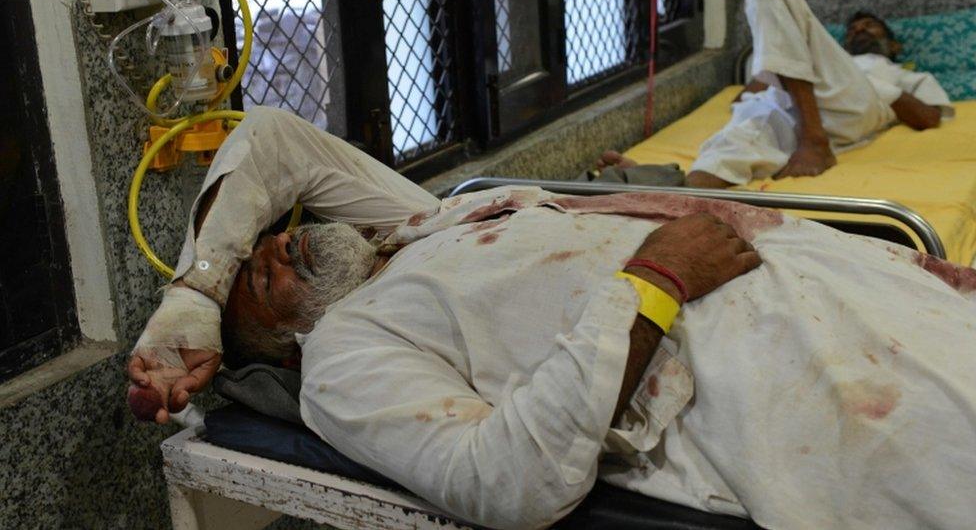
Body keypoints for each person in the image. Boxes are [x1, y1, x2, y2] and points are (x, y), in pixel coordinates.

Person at [128, 107, 976, 530]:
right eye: (260, 283)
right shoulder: (347, 354)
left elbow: (272, 138)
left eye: (267, 239)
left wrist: (198, 295)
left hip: (848, 284)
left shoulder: (425, 222)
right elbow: (505, 481)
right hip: (779, 366)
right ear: (287, 345)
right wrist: (653, 284)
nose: (277, 245)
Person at [597, 0, 950, 188]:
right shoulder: (810, 58)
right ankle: (672, 188)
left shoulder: (897, 72)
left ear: (895, 45)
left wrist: (882, 90)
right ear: (838, 44)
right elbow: (744, 95)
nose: (859, 31)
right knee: (746, 132)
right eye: (853, 30)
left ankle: (815, 141)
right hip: (796, 100)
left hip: (856, 102)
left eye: (870, 27)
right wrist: (773, 78)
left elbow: (930, 117)